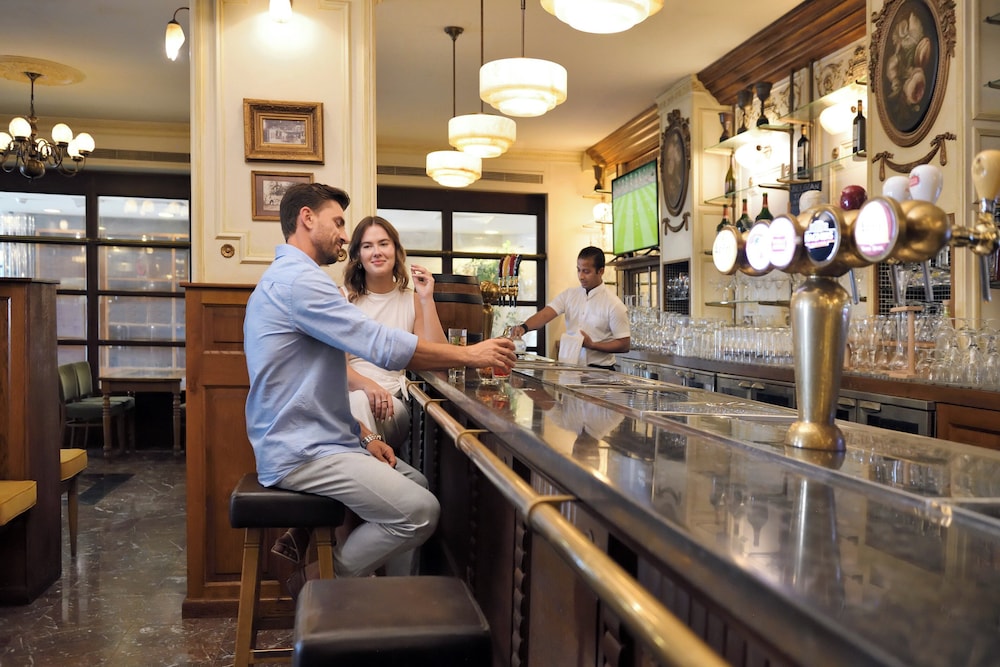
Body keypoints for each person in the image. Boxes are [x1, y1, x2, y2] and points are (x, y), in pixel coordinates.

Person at [244, 182, 515, 583]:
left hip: (317, 437)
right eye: (338, 222)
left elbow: (310, 388)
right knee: (422, 511)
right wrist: (472, 354)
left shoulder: (293, 278)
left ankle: (377, 590)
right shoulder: (299, 282)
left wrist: (364, 435)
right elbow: (381, 345)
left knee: (417, 482)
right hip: (301, 451)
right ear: (307, 218)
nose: (343, 235)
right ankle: (318, 582)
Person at [341, 215, 446, 451]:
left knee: (357, 410)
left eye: (383, 244)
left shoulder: (412, 300)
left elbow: (439, 363)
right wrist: (368, 386)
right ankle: (377, 466)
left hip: (392, 405)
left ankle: (365, 465)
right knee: (356, 403)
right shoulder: (343, 299)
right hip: (348, 398)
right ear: (358, 256)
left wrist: (427, 299)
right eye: (367, 246)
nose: (376, 252)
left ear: (396, 251)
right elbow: (335, 366)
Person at [512, 246, 630, 370]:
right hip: (570, 368)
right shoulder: (569, 295)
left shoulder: (614, 304)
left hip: (601, 371)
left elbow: (624, 344)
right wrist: (524, 327)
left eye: (586, 271)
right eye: (578, 270)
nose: (581, 276)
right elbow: (545, 314)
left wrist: (593, 345)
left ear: (601, 271)